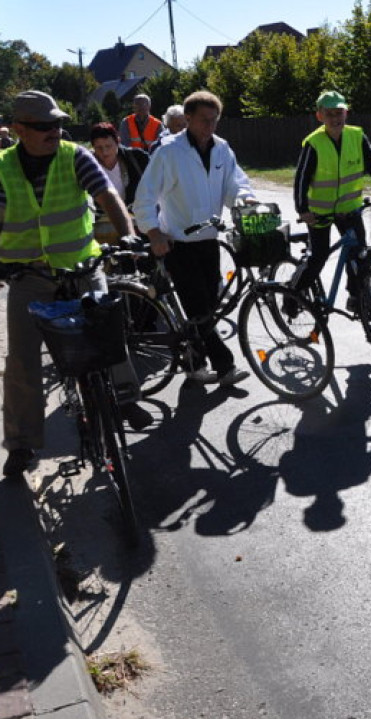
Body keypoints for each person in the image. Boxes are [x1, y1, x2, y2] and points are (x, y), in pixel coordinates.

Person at [1, 91, 135, 477]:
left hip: (80, 267)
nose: (55, 131)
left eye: (58, 123)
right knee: (22, 361)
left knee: (109, 331)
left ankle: (126, 400)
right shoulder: (2, 167)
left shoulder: (74, 156)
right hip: (29, 276)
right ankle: (21, 444)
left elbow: (107, 195)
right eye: (44, 125)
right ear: (19, 129)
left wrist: (127, 235)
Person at [134, 90, 254, 388]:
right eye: (203, 120)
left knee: (207, 308)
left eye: (214, 120)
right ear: (187, 118)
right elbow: (145, 196)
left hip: (209, 240)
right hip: (178, 243)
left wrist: (245, 199)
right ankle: (225, 366)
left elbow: (235, 184)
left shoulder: (222, 148)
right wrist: (153, 232)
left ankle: (193, 362)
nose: (209, 126)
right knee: (200, 310)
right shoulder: (168, 151)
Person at [292, 91, 371, 313]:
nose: (335, 118)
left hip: (350, 208)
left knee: (359, 256)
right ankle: (293, 295)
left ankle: (356, 297)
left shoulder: (357, 136)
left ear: (346, 113)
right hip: (319, 212)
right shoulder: (314, 143)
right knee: (318, 258)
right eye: (329, 114)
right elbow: (301, 178)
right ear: (320, 116)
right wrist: (303, 209)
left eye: (339, 113)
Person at [88, 122, 149, 243]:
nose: (104, 152)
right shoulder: (86, 165)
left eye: (108, 146)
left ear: (118, 142)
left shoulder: (138, 159)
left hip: (138, 226)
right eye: (99, 148)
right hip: (100, 230)